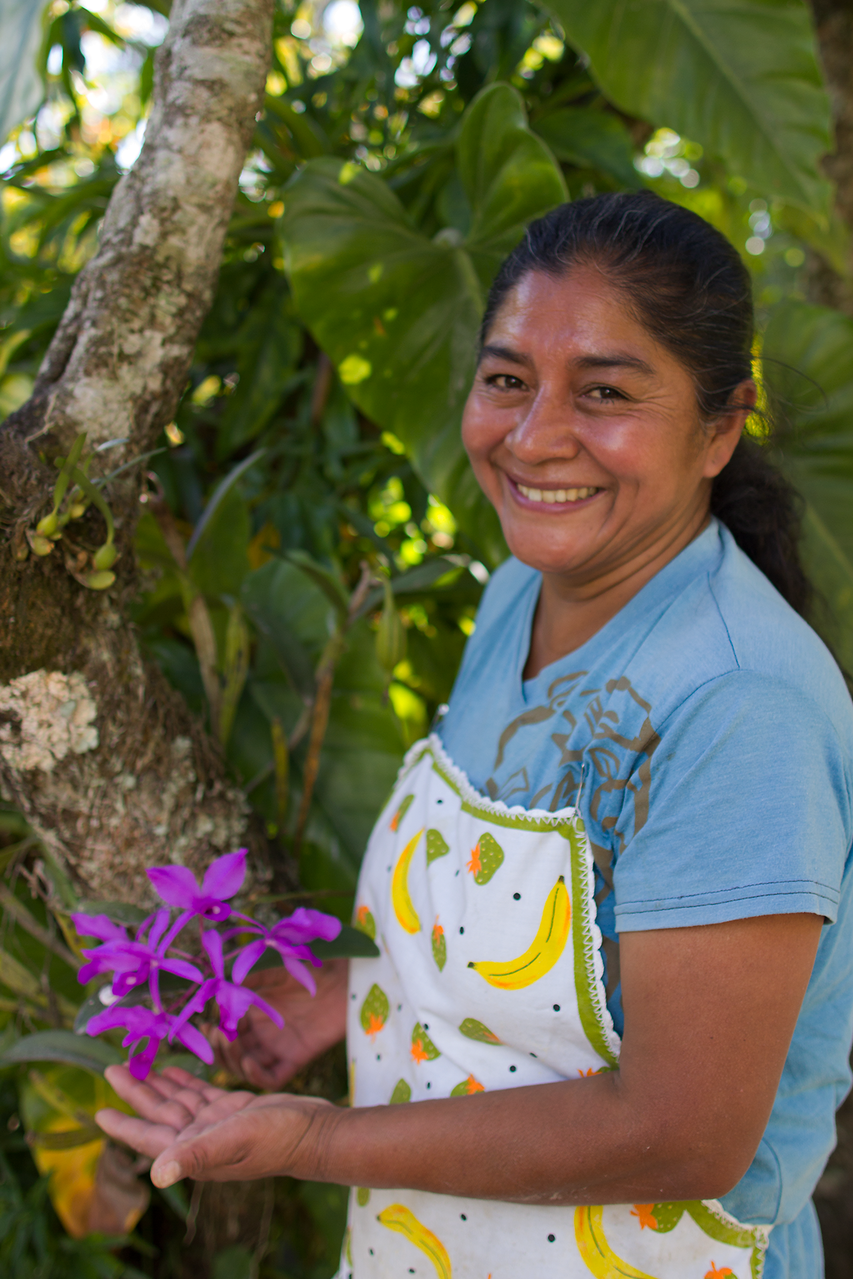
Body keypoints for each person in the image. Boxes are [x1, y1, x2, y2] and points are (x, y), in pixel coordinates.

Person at [97, 192, 853, 1279]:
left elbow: (684, 1130)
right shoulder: (519, 594)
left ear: (720, 428)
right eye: (507, 380)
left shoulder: (742, 705)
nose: (534, 435)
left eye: (604, 392)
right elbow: (508, 934)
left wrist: (313, 1140)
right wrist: (346, 996)